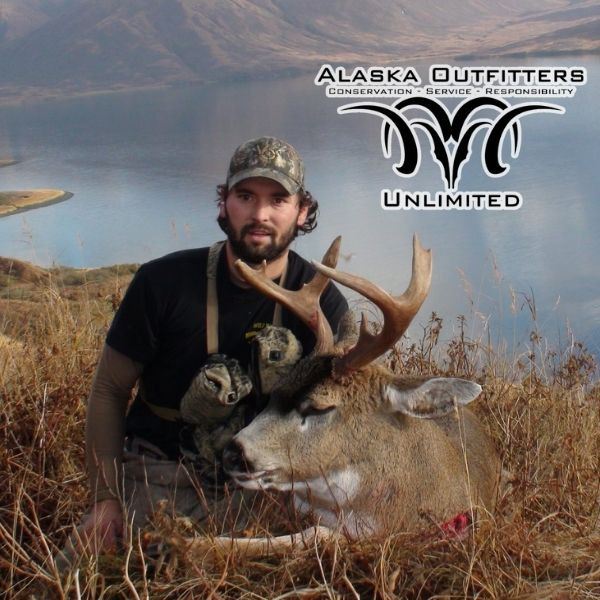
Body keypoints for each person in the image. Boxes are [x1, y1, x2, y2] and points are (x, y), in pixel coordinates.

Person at [73, 136, 350, 559]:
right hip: (161, 477)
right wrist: (105, 500)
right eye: (246, 196)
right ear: (224, 204)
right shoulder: (161, 283)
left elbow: (350, 413)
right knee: (83, 573)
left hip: (268, 486)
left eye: (278, 200)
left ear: (302, 211)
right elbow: (110, 391)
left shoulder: (323, 303)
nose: (260, 215)